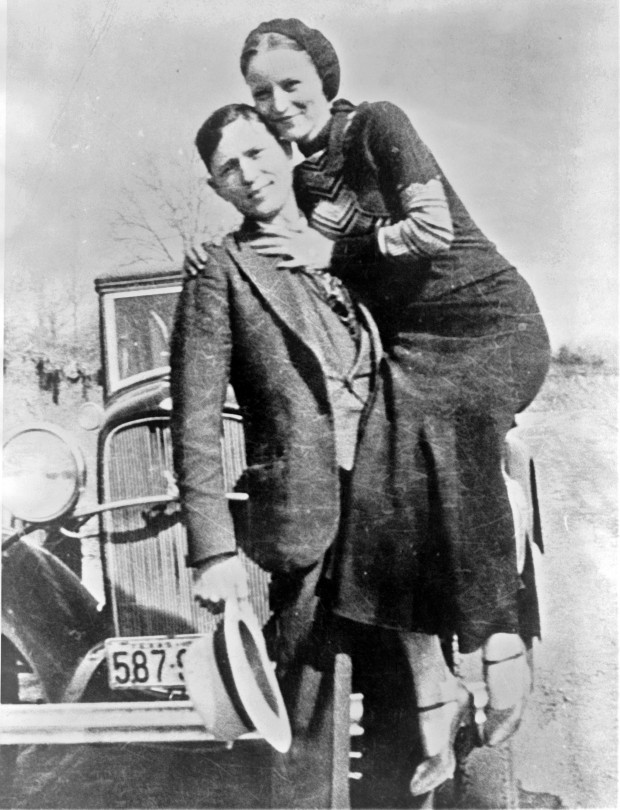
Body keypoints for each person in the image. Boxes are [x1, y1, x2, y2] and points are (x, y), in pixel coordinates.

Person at [235, 16, 552, 792]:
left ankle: (500, 646)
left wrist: (335, 250)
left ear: (324, 79)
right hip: (408, 351)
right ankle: (432, 692)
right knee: (378, 490)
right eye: (260, 93)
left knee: (447, 436)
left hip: (486, 323)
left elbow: (432, 229)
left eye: (291, 86)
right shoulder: (303, 181)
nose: (278, 104)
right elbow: (294, 262)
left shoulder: (380, 124)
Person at [171, 103, 470, 807]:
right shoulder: (221, 270)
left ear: (284, 149)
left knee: (412, 711)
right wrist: (214, 552)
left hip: (394, 507)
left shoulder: (354, 244)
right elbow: (195, 419)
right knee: (309, 716)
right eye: (228, 170)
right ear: (217, 190)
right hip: (309, 519)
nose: (249, 174)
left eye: (256, 153)